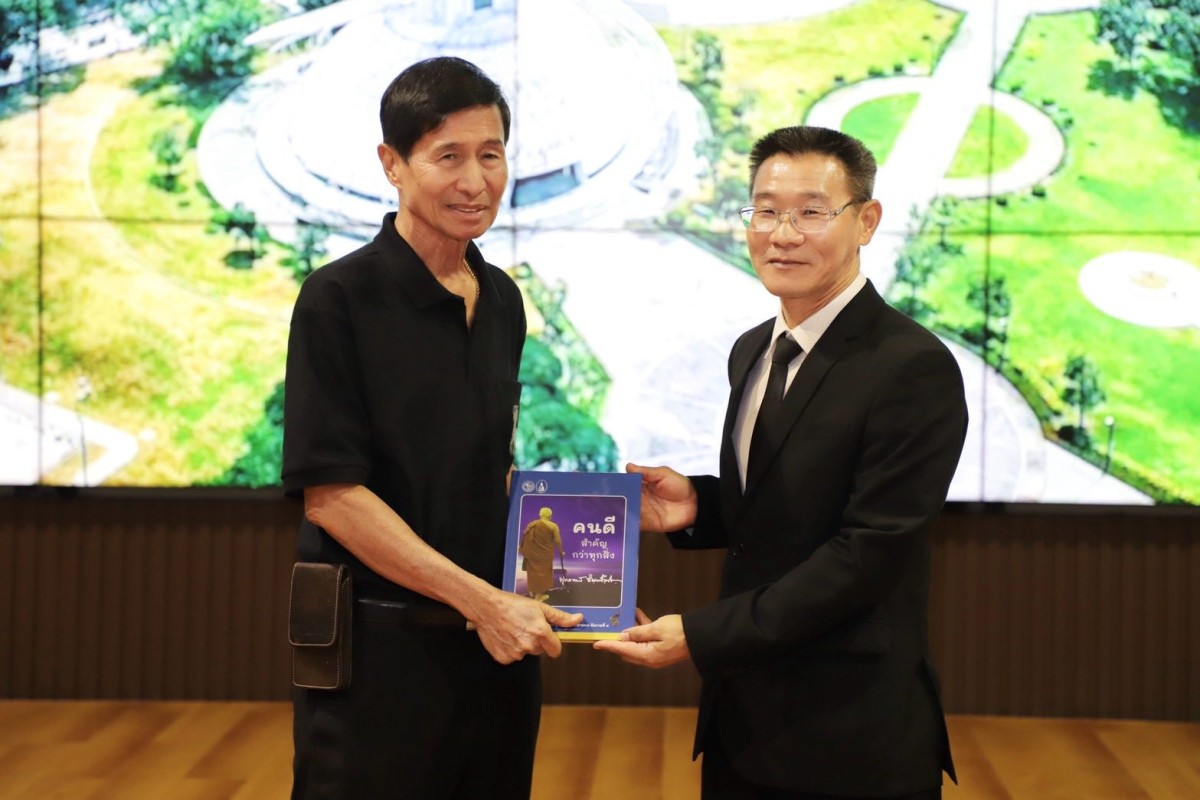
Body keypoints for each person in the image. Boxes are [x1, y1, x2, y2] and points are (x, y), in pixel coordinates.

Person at [595, 125, 968, 800]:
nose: (782, 234)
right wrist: (700, 505)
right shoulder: (753, 350)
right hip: (743, 722)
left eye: (811, 212)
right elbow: (788, 502)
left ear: (866, 221)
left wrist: (701, 635)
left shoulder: (912, 367)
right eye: (765, 211)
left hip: (849, 734)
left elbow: (867, 553)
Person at [282, 56, 580, 799]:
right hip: (381, 655)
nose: (476, 181)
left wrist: (589, 578)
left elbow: (486, 469)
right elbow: (332, 497)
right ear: (393, 164)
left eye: (491, 155)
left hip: (496, 648)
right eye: (448, 157)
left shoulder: (501, 298)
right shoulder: (337, 299)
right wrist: (480, 601)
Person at [520, 507, 565, 602]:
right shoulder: (553, 526)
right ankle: (538, 596)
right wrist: (561, 551)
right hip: (545, 555)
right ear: (550, 516)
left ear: (540, 515)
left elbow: (526, 537)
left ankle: (532, 591)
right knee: (543, 575)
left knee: (532, 573)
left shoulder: (533, 524)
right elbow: (557, 540)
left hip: (533, 554)